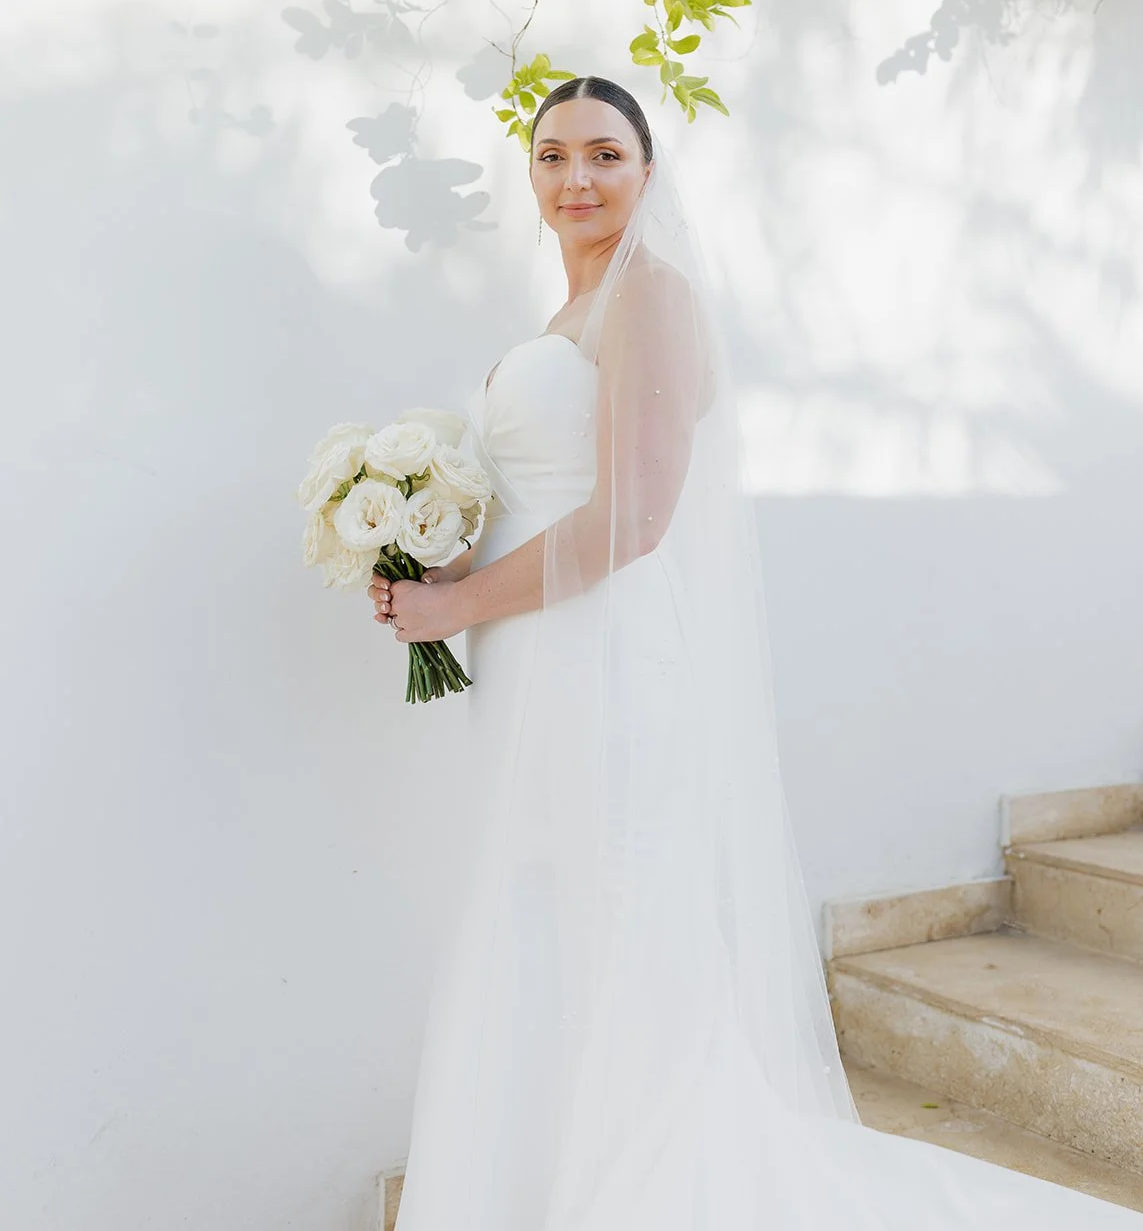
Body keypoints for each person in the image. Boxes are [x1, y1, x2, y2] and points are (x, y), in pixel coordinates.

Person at [367, 75, 1141, 1230]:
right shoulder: (558, 322)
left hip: (607, 659)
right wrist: (430, 568)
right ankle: (537, 1178)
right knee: (541, 905)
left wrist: (461, 600)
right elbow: (547, 493)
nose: (575, 179)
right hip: (530, 664)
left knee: (616, 904)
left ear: (647, 172)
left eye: (603, 156)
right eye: (551, 157)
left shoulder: (654, 299)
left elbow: (633, 517)